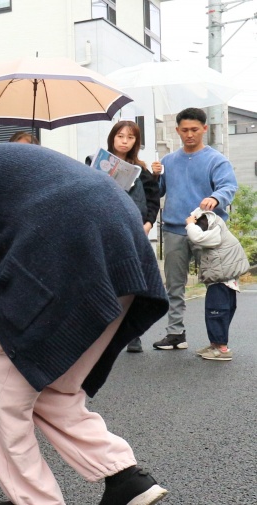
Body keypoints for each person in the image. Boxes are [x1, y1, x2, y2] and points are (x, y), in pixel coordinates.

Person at [0, 116, 170, 505]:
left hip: (66, 251)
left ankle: (35, 500)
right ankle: (125, 478)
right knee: (50, 381)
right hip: (122, 247)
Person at [152, 107, 237, 351]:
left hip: (208, 230)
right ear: (177, 130)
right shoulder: (168, 161)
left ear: (204, 129)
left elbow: (228, 186)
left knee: (217, 284)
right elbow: (157, 192)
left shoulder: (216, 160)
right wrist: (154, 176)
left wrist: (216, 198)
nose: (189, 134)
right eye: (185, 130)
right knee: (174, 285)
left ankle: (217, 341)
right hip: (174, 229)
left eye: (194, 130)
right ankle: (175, 333)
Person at [97, 120, 161, 353]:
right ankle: (103, 333)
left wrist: (148, 224)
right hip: (105, 231)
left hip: (135, 232)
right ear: (112, 138)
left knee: (134, 283)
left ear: (136, 142)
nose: (124, 141)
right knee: (107, 282)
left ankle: (132, 334)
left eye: (130, 137)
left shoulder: (141, 170)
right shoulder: (97, 163)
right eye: (120, 136)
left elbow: (153, 200)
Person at [185, 207, 250, 361]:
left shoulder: (216, 231)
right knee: (220, 312)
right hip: (226, 281)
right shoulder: (218, 228)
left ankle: (222, 349)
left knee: (216, 312)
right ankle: (215, 344)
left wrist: (190, 224)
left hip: (221, 282)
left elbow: (197, 237)